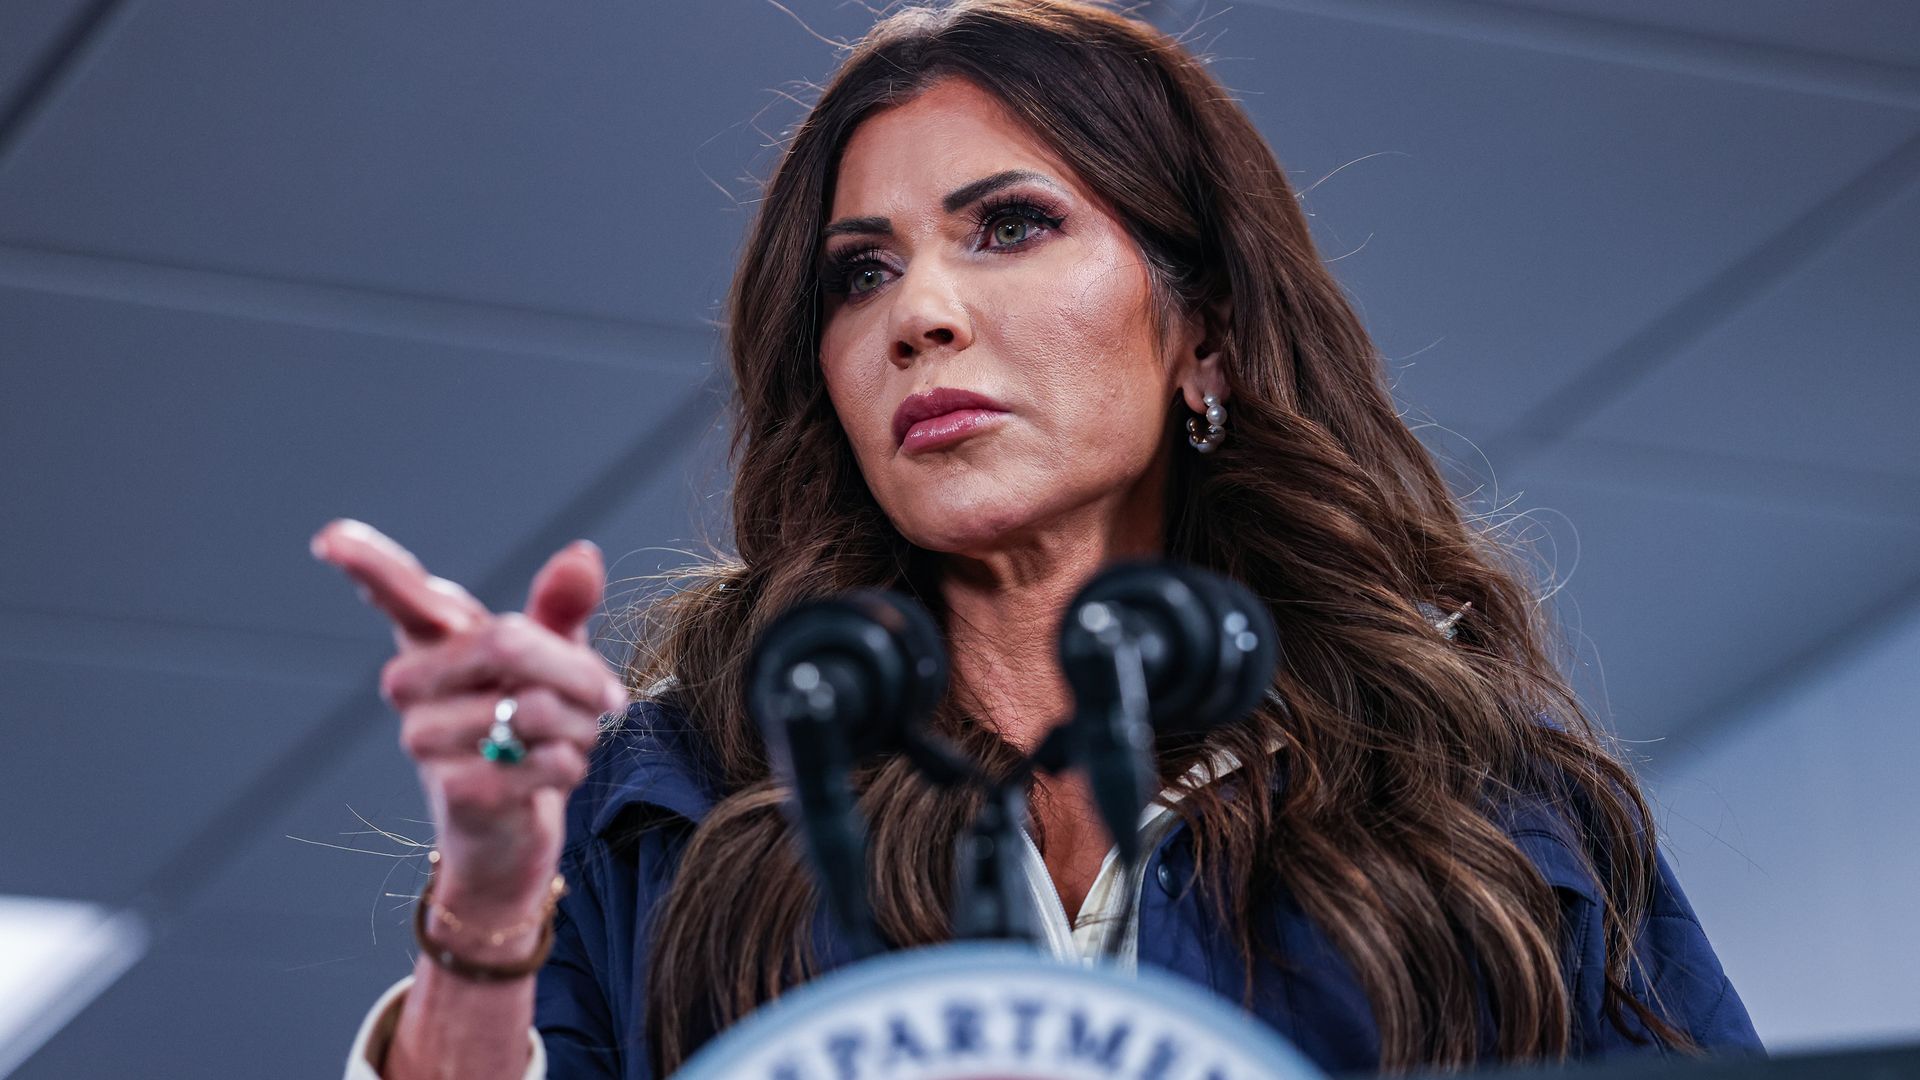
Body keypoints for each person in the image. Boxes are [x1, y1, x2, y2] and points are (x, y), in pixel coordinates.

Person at [321, 2, 1764, 1076]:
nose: (919, 313)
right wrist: (492, 914)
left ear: (1202, 329)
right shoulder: (676, 794)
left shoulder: (1481, 803)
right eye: (859, 274)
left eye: (1008, 226)